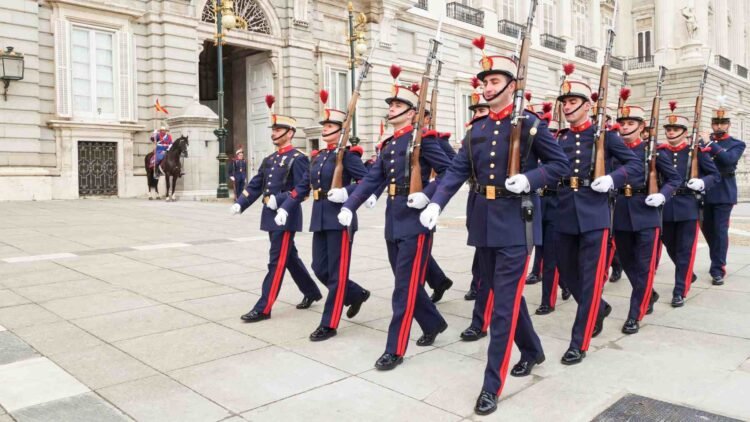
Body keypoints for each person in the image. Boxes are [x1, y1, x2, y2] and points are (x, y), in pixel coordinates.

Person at [419, 40, 569, 415]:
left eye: (494, 80)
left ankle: (491, 385)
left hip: (517, 225)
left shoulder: (531, 126)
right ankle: (533, 350)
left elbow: (561, 165)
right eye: (483, 81)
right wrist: (436, 201)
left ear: (511, 85)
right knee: (506, 296)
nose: (486, 87)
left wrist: (532, 178)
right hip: (484, 223)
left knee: (501, 307)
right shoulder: (478, 127)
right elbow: (456, 170)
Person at [337, 65, 452, 371]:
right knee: (408, 283)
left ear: (413, 112)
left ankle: (395, 348)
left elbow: (451, 172)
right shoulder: (389, 145)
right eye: (391, 105)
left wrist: (429, 194)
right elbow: (372, 178)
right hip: (393, 220)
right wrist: (351, 204)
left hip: (415, 222)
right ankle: (434, 323)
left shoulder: (424, 140)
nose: (392, 109)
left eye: (399, 105)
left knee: (403, 288)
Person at [554, 71, 641, 365]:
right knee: (566, 274)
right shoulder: (559, 138)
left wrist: (612, 179)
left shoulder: (605, 136)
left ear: (588, 105)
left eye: (573, 101)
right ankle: (599, 309)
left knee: (591, 280)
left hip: (595, 213)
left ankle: (580, 341)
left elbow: (635, 165)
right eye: (564, 101)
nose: (567, 107)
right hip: (564, 212)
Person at [230, 99, 322, 322]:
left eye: (278, 130)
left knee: (276, 261)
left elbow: (302, 190)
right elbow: (256, 184)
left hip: (285, 215)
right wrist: (241, 203)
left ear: (290, 133)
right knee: (288, 257)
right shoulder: (270, 159)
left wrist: (279, 200)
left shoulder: (298, 159)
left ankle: (264, 307)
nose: (274, 134)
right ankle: (311, 292)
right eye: (273, 130)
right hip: (269, 214)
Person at [613, 97, 681, 334]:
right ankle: (648, 294)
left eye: (630, 122)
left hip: (646, 213)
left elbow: (674, 178)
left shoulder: (653, 151)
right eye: (622, 122)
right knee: (629, 264)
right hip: (620, 213)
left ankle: (635, 314)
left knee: (643, 267)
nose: (624, 126)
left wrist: (663, 195)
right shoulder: (613, 150)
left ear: (641, 126)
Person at [307, 91, 371, 341]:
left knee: (336, 273)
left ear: (341, 129)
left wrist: (346, 192)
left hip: (340, 218)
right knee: (319, 268)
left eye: (331, 125)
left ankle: (329, 323)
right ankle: (355, 294)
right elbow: (305, 184)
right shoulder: (321, 156)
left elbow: (367, 181)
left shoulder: (349, 156)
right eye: (324, 125)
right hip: (319, 217)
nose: (325, 129)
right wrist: (286, 203)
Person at [660, 102, 720, 307]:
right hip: (665, 206)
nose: (670, 132)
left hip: (688, 206)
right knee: (670, 246)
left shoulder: (696, 152)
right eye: (668, 129)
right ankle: (687, 274)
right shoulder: (660, 152)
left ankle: (680, 290)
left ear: (685, 132)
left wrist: (703, 182)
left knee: (685, 250)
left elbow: (715, 175)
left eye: (675, 129)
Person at [700, 100, 746, 285]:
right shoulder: (702, 140)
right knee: (708, 231)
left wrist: (710, 143)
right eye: (716, 123)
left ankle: (717, 268)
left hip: (723, 192)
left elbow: (727, 160)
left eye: (722, 123)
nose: (719, 126)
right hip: (704, 192)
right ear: (712, 123)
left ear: (728, 124)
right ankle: (717, 257)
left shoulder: (736, 143)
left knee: (720, 232)